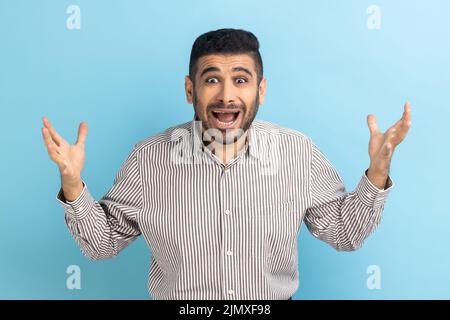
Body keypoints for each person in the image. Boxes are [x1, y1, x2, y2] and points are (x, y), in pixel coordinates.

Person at [41, 28, 411, 300]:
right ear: (191, 90)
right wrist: (72, 183)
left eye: (240, 80)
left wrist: (377, 173)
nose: (226, 95)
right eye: (212, 79)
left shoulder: (297, 152)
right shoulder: (148, 158)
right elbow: (102, 244)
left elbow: (345, 234)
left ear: (260, 90)